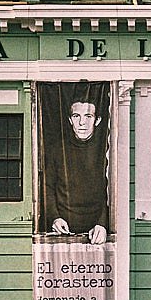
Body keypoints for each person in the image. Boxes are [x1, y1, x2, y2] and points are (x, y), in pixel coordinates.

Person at [40, 87, 111, 244]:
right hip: (63, 229)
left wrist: (103, 223)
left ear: (97, 120)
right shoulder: (58, 150)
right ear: (70, 120)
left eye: (88, 116)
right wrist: (55, 218)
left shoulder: (106, 149)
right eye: (76, 116)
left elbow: (111, 191)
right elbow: (48, 187)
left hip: (98, 229)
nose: (82, 123)